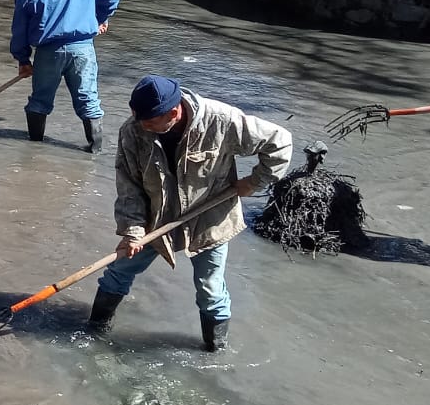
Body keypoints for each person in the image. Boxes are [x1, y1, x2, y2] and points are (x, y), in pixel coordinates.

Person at [90, 75, 293, 351]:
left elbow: (279, 142)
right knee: (118, 271)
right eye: (138, 119)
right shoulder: (134, 131)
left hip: (209, 217)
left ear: (173, 113)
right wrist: (132, 231)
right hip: (156, 219)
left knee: (210, 290)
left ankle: (214, 352)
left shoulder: (222, 120)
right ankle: (93, 334)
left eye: (149, 123)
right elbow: (129, 185)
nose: (142, 127)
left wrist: (255, 181)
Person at [10, 0, 120, 152]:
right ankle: (95, 152)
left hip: (49, 52)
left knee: (40, 101)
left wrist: (23, 60)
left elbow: (20, 31)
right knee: (88, 100)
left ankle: (34, 150)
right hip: (83, 50)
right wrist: (100, 19)